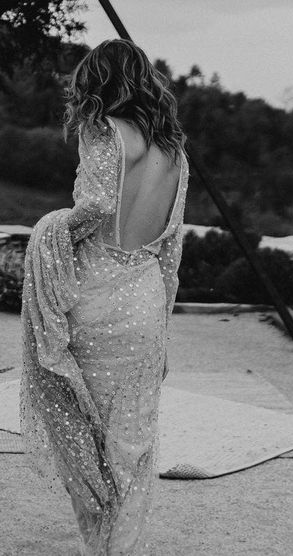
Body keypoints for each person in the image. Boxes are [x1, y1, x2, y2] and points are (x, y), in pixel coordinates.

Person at [20, 39, 188, 555]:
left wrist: (51, 228)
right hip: (145, 300)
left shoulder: (103, 130)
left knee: (83, 432)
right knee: (133, 441)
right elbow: (172, 249)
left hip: (96, 296)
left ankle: (98, 545)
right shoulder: (174, 152)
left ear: (98, 83)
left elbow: (93, 207)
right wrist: (163, 320)